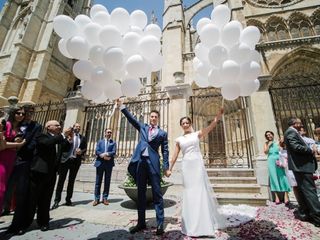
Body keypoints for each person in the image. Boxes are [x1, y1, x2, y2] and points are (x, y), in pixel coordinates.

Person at [168, 109, 226, 237]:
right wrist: (170, 168)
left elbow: (210, 127)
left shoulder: (197, 134)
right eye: (183, 123)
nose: (185, 125)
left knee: (200, 192)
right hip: (187, 166)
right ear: (181, 125)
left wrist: (218, 115)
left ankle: (203, 225)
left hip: (197, 165)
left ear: (190, 123)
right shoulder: (179, 139)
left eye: (187, 122)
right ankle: (190, 224)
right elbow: (175, 156)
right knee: (189, 193)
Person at [116, 99, 170, 235]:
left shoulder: (162, 133)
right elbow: (131, 119)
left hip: (154, 165)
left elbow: (165, 150)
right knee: (140, 194)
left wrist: (166, 166)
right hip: (140, 163)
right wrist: (122, 107)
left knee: (157, 195)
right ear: (149, 118)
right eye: (151, 116)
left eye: (155, 117)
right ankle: (141, 223)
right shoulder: (143, 127)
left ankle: (159, 224)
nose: (153, 118)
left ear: (158, 119)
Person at [25, 120, 72, 232]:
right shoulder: (42, 136)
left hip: (51, 173)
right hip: (39, 172)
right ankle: (25, 223)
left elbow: (64, 148)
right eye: (56, 125)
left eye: (59, 125)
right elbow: (47, 144)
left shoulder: (58, 138)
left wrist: (68, 140)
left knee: (46, 199)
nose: (59, 126)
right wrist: (63, 135)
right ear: (48, 127)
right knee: (32, 198)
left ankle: (43, 222)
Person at [5, 104, 42, 235]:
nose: (29, 114)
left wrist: (19, 147)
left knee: (20, 194)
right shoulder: (12, 124)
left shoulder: (36, 126)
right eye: (27, 111)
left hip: (24, 162)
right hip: (6, 161)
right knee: (5, 191)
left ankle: (16, 225)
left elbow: (33, 144)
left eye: (32, 112)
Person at [284, 117, 320, 227]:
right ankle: (318, 217)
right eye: (299, 122)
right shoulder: (290, 132)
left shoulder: (293, 132)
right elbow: (296, 147)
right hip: (302, 166)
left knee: (305, 191)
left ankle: (306, 214)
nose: (301, 124)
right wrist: (311, 150)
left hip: (301, 166)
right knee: (310, 192)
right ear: (295, 123)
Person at [52, 123, 87, 209]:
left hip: (76, 161)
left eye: (79, 127)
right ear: (73, 127)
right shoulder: (67, 136)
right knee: (61, 181)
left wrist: (81, 152)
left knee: (71, 181)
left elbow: (85, 148)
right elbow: (61, 147)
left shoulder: (83, 138)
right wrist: (68, 140)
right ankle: (57, 200)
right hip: (65, 160)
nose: (78, 128)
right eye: (76, 126)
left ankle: (68, 200)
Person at [0, 106, 26, 215]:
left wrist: (12, 145)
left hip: (11, 160)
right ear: (13, 113)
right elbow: (2, 146)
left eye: (22, 114)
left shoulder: (20, 129)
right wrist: (18, 144)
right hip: (2, 158)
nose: (20, 115)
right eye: (18, 113)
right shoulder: (6, 125)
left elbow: (9, 145)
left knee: (4, 188)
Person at [264, 130, 291, 205]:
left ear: (273, 134)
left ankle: (286, 196)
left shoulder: (278, 142)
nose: (269, 136)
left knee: (282, 176)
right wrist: (269, 145)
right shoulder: (266, 143)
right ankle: (277, 197)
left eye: (270, 134)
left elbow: (283, 148)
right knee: (273, 177)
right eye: (267, 135)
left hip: (279, 159)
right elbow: (265, 152)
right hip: (271, 161)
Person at [93, 128, 117, 206]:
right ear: (105, 133)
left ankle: (105, 198)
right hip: (100, 163)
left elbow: (113, 152)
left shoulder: (113, 142)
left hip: (109, 164)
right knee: (98, 182)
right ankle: (96, 199)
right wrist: (102, 156)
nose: (109, 133)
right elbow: (97, 151)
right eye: (108, 132)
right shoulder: (100, 142)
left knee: (107, 182)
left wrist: (106, 154)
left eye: (110, 132)